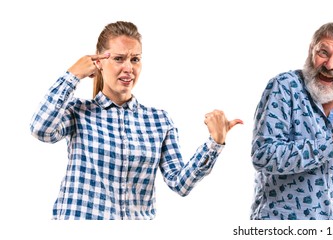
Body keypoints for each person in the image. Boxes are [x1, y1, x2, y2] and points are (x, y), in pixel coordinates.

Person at [29, 21, 243, 220]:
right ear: (99, 63)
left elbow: (180, 183)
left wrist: (215, 142)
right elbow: (41, 130)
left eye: (135, 59)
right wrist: (72, 75)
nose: (128, 68)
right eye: (118, 58)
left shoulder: (158, 121)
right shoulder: (79, 111)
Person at [251, 21, 333, 220]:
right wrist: (331, 146)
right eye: (323, 53)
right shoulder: (284, 87)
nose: (330, 65)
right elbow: (263, 156)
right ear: (310, 51)